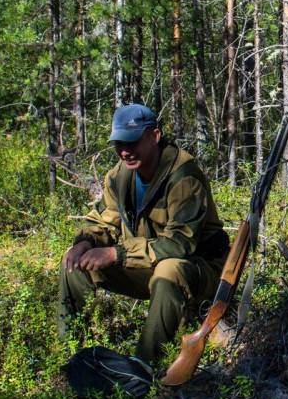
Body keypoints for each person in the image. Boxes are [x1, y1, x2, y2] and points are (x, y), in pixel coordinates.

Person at [59, 104, 229, 364]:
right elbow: (106, 220)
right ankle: (69, 355)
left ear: (155, 137)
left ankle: (145, 367)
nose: (125, 151)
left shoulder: (183, 176)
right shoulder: (119, 176)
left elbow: (179, 245)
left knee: (168, 270)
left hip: (198, 272)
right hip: (150, 264)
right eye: (119, 144)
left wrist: (117, 253)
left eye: (132, 142)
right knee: (73, 262)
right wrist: (84, 242)